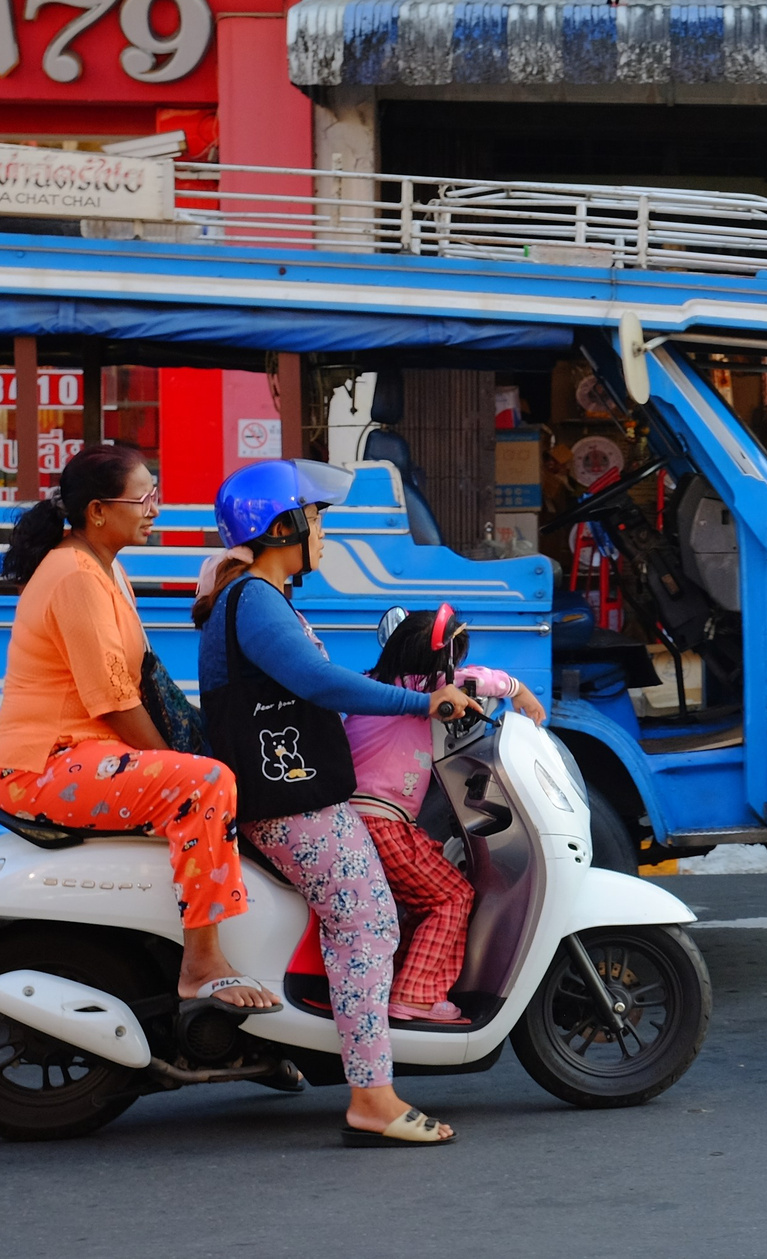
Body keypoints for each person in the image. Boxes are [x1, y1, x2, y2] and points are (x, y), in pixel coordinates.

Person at [196, 459, 481, 1147]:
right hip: (290, 803)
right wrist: (424, 699)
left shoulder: (260, 599)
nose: (322, 530)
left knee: (367, 917)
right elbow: (322, 683)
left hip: (302, 796)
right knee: (369, 922)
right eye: (316, 517)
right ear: (283, 524)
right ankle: (372, 1096)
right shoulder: (256, 599)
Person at [0, 446, 278, 1013]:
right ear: (98, 510)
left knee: (209, 772)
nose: (155, 509)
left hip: (80, 754)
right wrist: (179, 768)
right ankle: (202, 964)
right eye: (144, 498)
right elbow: (116, 701)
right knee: (204, 784)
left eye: (156, 495)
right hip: (43, 766)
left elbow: (137, 682)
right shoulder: (75, 575)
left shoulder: (105, 566)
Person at [342, 604, 545, 1024]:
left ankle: (416, 987)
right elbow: (478, 680)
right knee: (453, 897)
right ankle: (414, 996)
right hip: (383, 821)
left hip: (360, 820)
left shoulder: (374, 684)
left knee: (427, 900)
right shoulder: (427, 687)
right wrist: (520, 691)